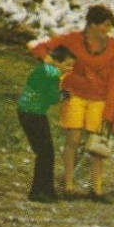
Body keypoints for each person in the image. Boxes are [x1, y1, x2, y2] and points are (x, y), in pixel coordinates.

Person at [29, 3, 114, 201]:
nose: (107, 30)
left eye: (110, 26)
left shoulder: (112, 46)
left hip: (98, 99)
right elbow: (40, 48)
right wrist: (53, 63)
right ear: (92, 24)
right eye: (104, 25)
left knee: (97, 144)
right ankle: (68, 184)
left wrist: (111, 109)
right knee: (73, 140)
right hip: (75, 94)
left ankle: (97, 188)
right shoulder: (72, 40)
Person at [17, 45, 74, 203]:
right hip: (33, 114)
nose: (69, 69)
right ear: (57, 62)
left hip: (30, 112)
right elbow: (51, 98)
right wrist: (63, 95)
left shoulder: (45, 70)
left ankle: (47, 189)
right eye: (67, 65)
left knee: (46, 152)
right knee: (45, 153)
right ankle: (38, 191)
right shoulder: (52, 74)